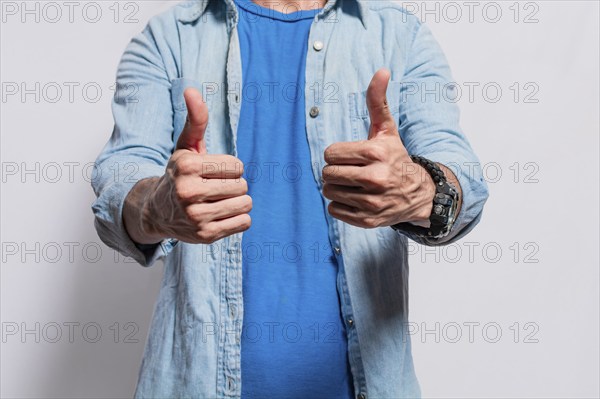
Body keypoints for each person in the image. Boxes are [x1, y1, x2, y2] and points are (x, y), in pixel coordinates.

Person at [91, 0, 489, 397]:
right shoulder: (167, 38)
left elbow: (464, 179)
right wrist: (156, 206)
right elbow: (121, 176)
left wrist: (420, 190)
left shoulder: (400, 34)